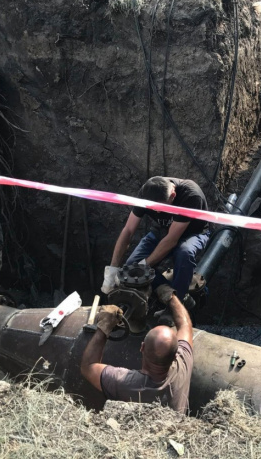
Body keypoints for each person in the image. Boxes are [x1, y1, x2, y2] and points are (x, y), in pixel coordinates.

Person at [81, 285, 194, 413]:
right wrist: (171, 297)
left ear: (142, 348)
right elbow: (185, 324)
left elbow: (88, 367)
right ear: (175, 356)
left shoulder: (128, 384)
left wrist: (103, 328)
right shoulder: (183, 364)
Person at [103, 176, 209, 299]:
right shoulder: (146, 192)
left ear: (173, 195)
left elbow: (171, 240)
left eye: (161, 208)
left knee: (184, 253)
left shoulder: (190, 196)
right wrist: (113, 268)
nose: (157, 212)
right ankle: (169, 294)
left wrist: (144, 266)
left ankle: (180, 299)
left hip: (193, 233)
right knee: (132, 268)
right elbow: (128, 230)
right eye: (152, 208)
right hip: (162, 230)